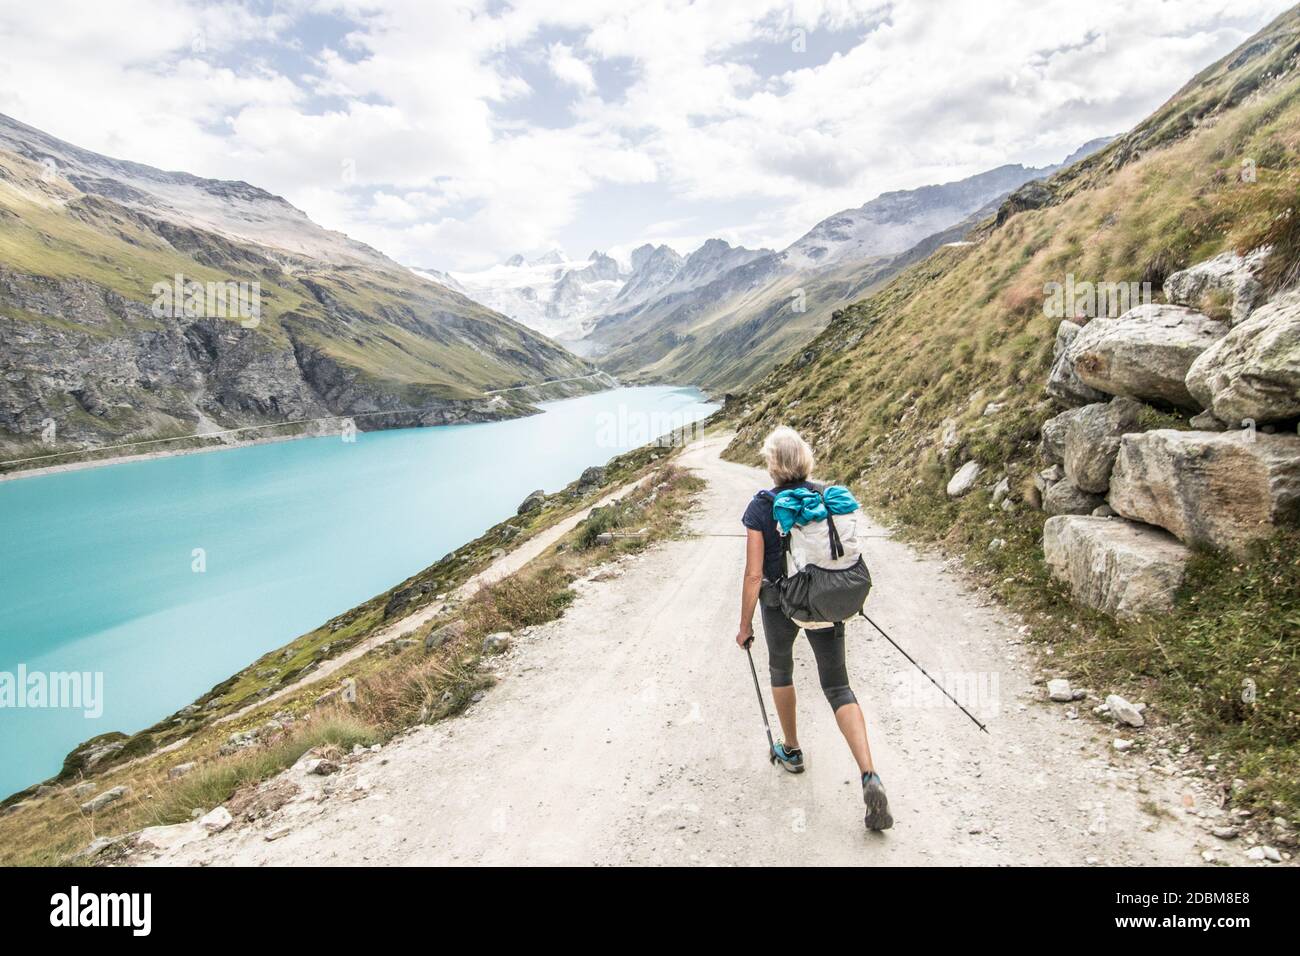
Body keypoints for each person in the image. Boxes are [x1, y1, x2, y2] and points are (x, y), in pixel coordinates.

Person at [735, 426, 893, 831]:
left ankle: (792, 749)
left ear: (772, 465)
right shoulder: (823, 497)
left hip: (779, 604)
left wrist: (744, 624)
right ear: (805, 460)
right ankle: (869, 773)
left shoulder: (761, 506)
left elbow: (754, 575)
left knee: (781, 670)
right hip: (824, 598)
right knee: (838, 686)